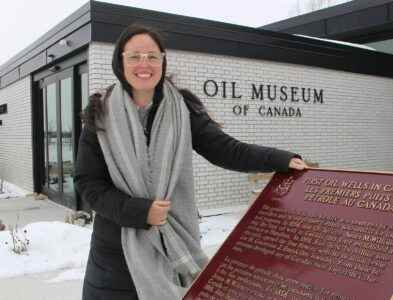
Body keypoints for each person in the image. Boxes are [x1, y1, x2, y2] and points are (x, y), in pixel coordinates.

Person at [74, 23, 306, 300]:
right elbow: (88, 183)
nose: (144, 64)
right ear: (120, 61)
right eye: (134, 56)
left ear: (162, 60)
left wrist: (280, 159)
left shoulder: (181, 109)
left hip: (176, 245)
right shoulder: (100, 112)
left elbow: (226, 149)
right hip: (115, 254)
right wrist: (139, 211)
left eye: (152, 56)